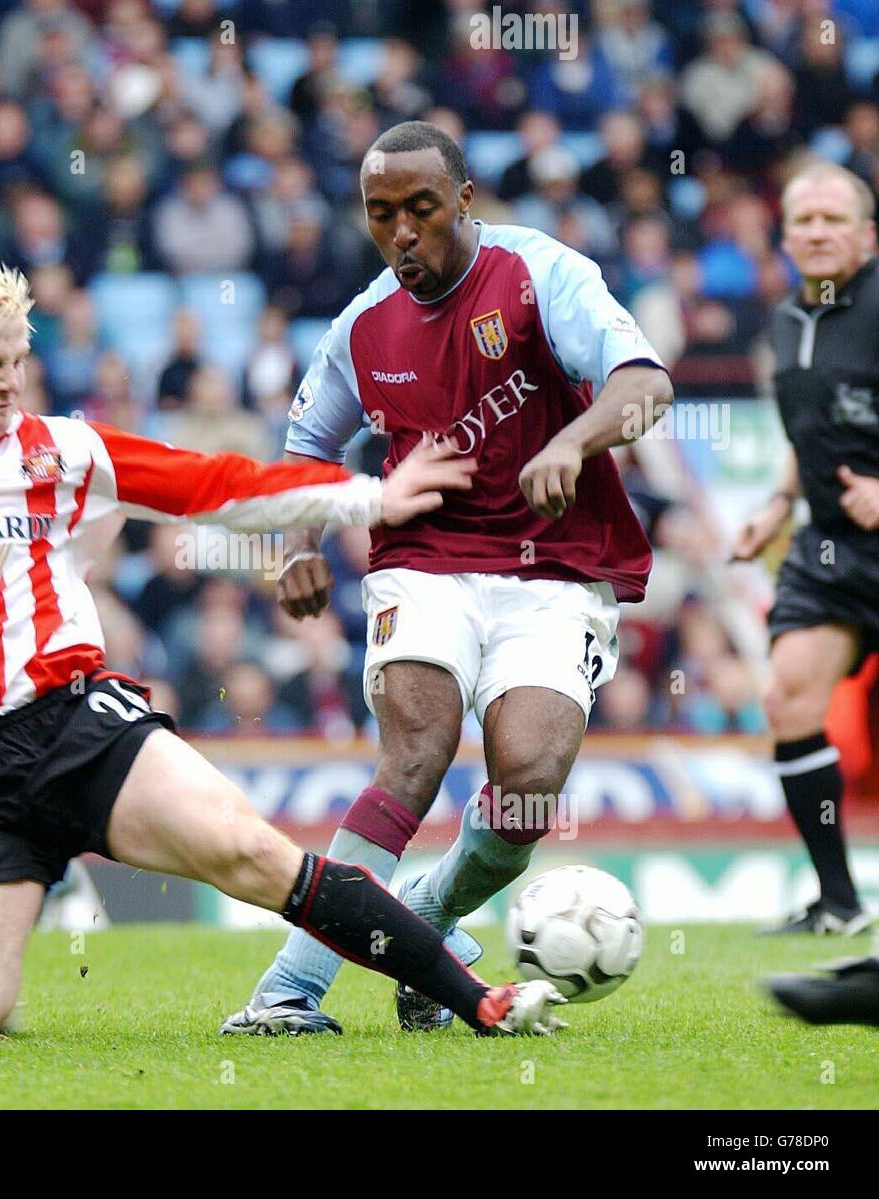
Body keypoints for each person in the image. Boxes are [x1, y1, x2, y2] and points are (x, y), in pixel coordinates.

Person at [0, 253, 570, 1041]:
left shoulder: (60, 450)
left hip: (79, 728)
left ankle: (476, 996)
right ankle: (26, 875)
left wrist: (368, 497)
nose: (9, 383)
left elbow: (215, 485)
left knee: (255, 857)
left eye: (18, 362)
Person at [222, 120, 673, 1036]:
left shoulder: (541, 273)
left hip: (553, 569)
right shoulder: (361, 326)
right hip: (422, 562)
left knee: (528, 782)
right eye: (380, 214)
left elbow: (645, 383)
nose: (401, 234)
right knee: (416, 750)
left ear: (464, 199)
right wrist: (299, 544)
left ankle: (424, 923)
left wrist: (574, 439)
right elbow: (307, 447)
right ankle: (289, 990)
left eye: (420, 209)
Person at [731, 162, 879, 937]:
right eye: (803, 221)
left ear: (867, 233)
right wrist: (778, 502)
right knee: (788, 697)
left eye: (834, 218)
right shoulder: (788, 319)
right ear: (785, 237)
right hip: (832, 548)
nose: (817, 232)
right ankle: (840, 903)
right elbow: (809, 433)